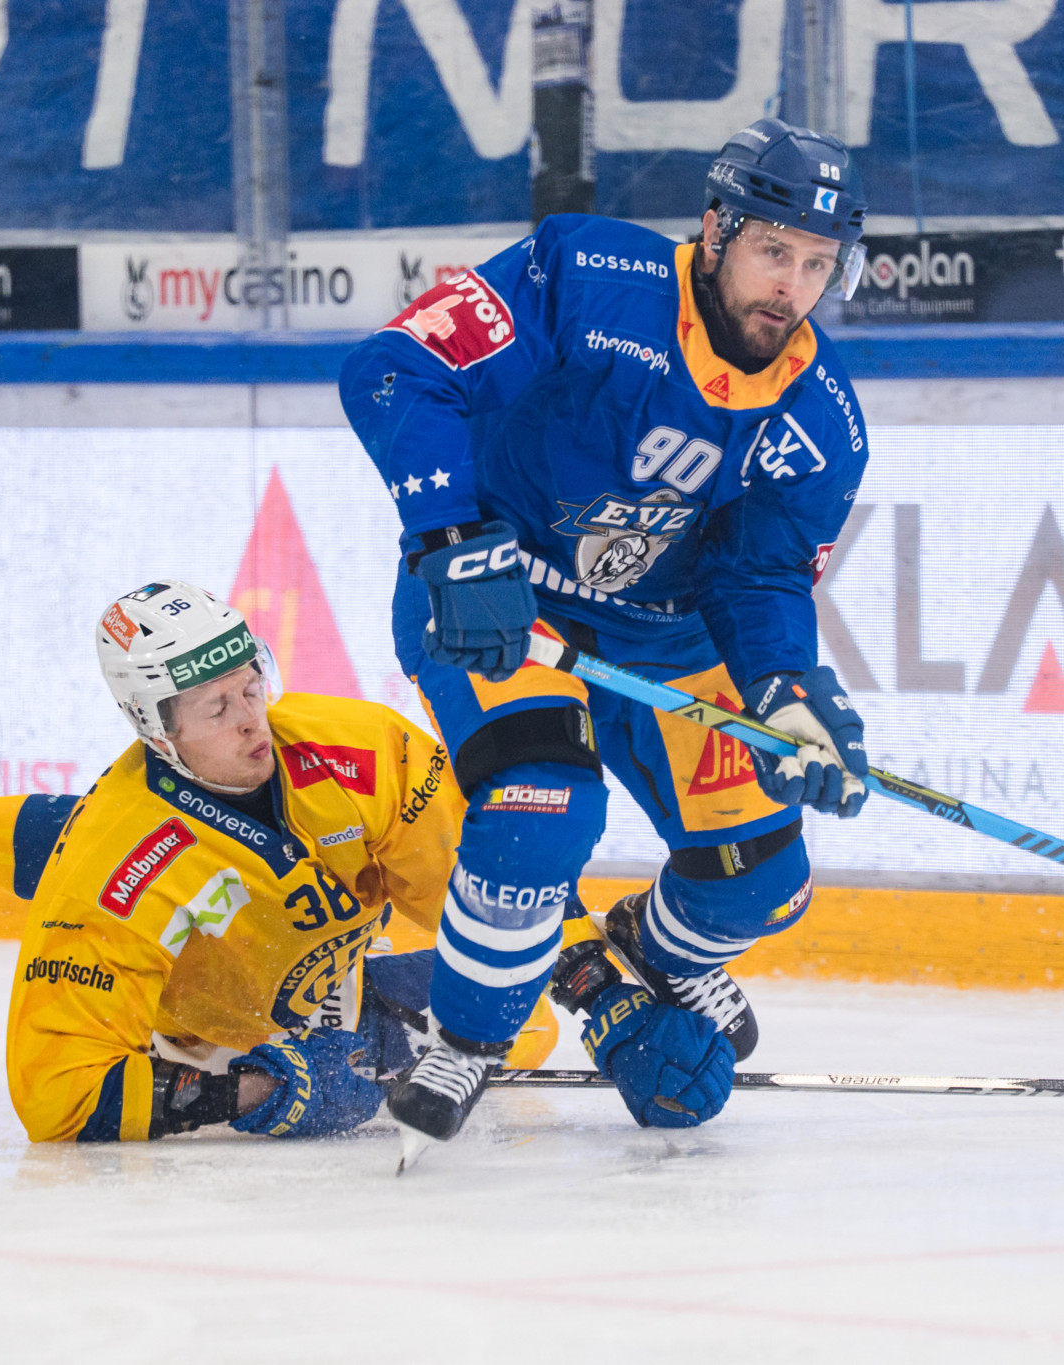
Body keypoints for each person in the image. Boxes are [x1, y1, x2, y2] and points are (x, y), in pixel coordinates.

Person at [339, 117, 876, 1160]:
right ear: (715, 231)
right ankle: (466, 1038)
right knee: (539, 809)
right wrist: (449, 538)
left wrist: (787, 689)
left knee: (762, 883)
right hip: (503, 604)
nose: (791, 286)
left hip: (664, 641)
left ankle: (651, 951)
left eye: (818, 264)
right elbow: (396, 368)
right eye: (774, 250)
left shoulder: (822, 421)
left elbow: (759, 575)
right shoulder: (585, 274)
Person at [0, 580, 560, 1143]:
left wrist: (579, 956)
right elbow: (58, 1094)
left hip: (279, 939)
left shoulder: (356, 745)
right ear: (156, 729)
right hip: (210, 1012)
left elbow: (485, 887)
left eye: (252, 687)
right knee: (89, 842)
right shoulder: (114, 867)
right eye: (217, 707)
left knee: (524, 1021)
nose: (253, 721)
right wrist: (260, 1086)